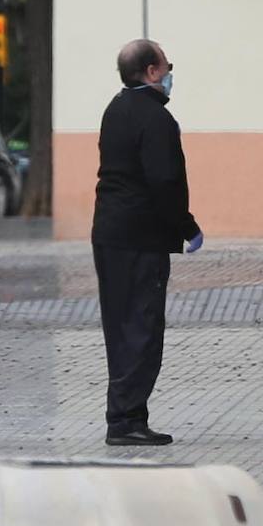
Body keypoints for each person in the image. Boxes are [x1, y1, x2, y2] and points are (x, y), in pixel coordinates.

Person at [93, 39, 203, 446]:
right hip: (141, 237)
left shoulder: (115, 109)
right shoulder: (155, 119)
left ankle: (123, 415)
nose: (171, 74)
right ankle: (126, 420)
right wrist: (187, 227)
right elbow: (165, 181)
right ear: (152, 71)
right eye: (168, 66)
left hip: (108, 232)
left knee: (120, 325)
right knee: (142, 325)